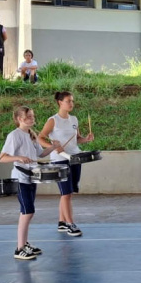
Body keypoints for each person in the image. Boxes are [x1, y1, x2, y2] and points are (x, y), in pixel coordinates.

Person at [0, 106, 63, 260]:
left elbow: (39, 154)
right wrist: (18, 158)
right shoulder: (14, 135)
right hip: (20, 177)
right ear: (20, 119)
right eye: (29, 116)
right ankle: (19, 248)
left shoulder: (31, 135)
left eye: (33, 116)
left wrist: (53, 147)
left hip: (31, 177)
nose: (32, 119)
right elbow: (2, 157)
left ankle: (24, 244)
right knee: (28, 211)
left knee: (25, 211)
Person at [39, 91, 94, 238]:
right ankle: (70, 224)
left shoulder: (74, 119)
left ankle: (62, 222)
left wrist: (86, 139)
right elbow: (40, 138)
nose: (71, 104)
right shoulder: (53, 120)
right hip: (59, 159)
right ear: (60, 102)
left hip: (75, 158)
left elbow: (77, 139)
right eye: (68, 101)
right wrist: (53, 147)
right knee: (66, 193)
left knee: (68, 193)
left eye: (72, 101)